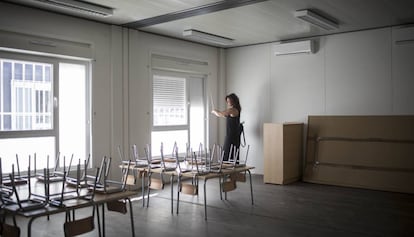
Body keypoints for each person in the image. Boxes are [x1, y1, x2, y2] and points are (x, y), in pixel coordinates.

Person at [211, 93, 241, 161]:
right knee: (229, 154)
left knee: (228, 154)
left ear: (233, 101)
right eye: (227, 101)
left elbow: (221, 113)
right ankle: (230, 169)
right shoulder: (233, 110)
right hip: (232, 136)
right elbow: (223, 115)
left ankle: (229, 170)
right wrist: (216, 112)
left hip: (232, 137)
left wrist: (214, 111)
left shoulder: (233, 110)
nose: (228, 103)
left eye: (229, 101)